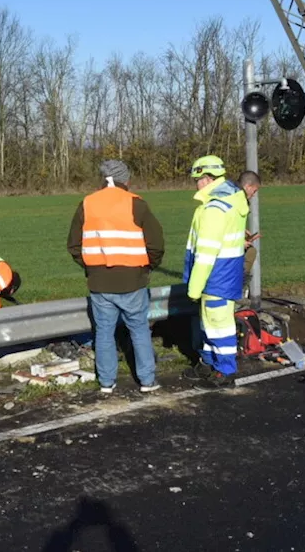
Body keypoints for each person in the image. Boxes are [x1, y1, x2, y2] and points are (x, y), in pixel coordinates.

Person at [67, 159, 166, 395]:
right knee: (139, 330)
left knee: (104, 332)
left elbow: (74, 245)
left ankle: (106, 382)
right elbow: (156, 244)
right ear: (126, 180)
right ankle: (147, 381)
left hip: (99, 282)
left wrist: (92, 266)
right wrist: (146, 267)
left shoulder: (87, 203)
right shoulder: (136, 204)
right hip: (133, 280)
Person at [182, 156, 254, 387]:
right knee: (211, 324)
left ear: (206, 178)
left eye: (197, 179)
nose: (195, 184)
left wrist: (193, 288)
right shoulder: (231, 202)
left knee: (218, 325)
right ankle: (208, 364)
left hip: (216, 278)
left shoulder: (214, 209)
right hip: (224, 275)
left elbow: (206, 254)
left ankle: (225, 371)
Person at [237, 171, 262, 292]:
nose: (253, 195)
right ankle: (237, 287)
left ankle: (239, 287)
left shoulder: (238, 199)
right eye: (254, 191)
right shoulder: (236, 201)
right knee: (250, 252)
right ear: (247, 186)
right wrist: (240, 243)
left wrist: (243, 234)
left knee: (251, 252)